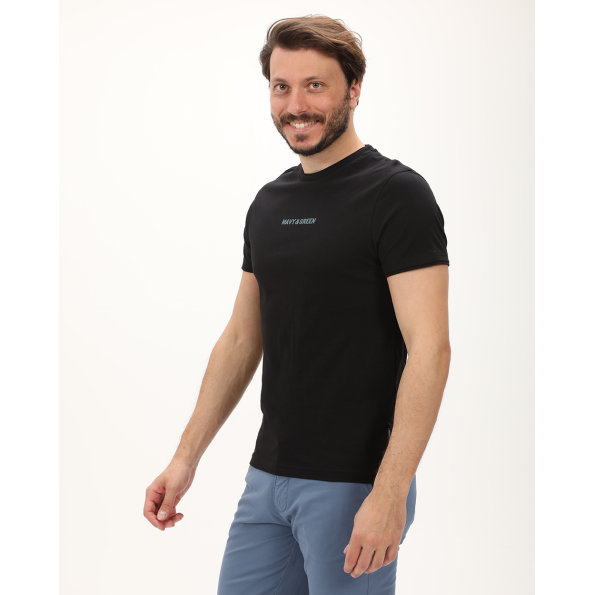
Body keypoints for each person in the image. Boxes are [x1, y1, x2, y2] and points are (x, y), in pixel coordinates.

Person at [143, 14, 451, 595]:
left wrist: (389, 493)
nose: (296, 105)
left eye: (315, 85)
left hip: (352, 483)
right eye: (281, 87)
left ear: (353, 90)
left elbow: (430, 349)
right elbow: (241, 338)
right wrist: (185, 459)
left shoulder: (397, 195)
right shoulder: (269, 203)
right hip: (268, 480)